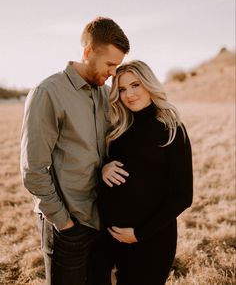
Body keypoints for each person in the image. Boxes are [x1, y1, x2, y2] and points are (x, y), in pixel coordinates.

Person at [20, 17, 130, 285]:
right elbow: (33, 169)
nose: (114, 73)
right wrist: (63, 222)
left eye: (118, 65)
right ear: (88, 52)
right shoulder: (48, 92)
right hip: (67, 225)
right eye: (110, 64)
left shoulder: (106, 94)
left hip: (101, 219)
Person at [98, 60, 193, 285]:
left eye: (135, 85)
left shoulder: (171, 129)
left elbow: (182, 196)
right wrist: (104, 168)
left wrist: (139, 234)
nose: (129, 94)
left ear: (149, 84)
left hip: (151, 242)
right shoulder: (119, 129)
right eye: (121, 89)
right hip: (111, 241)